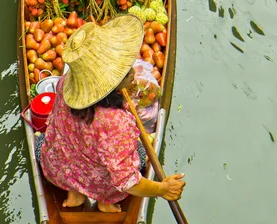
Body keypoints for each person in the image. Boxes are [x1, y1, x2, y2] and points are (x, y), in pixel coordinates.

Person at [37, 15, 186, 213]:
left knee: (42, 142)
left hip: (59, 168)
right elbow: (127, 181)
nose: (133, 72)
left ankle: (75, 194)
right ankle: (105, 201)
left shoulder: (66, 83)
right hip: (97, 182)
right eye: (125, 73)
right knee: (140, 154)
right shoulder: (116, 122)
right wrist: (162, 189)